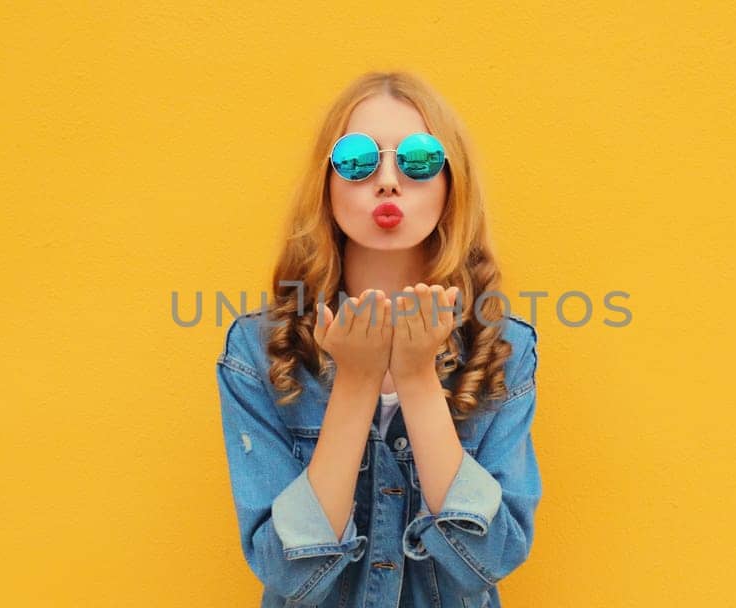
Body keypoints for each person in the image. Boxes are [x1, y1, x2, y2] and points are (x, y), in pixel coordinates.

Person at [216, 70, 541, 607]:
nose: (388, 181)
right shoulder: (258, 351)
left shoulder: (503, 348)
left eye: (417, 160)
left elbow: (493, 558)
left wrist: (416, 379)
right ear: (326, 184)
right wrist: (357, 381)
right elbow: (286, 574)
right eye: (357, 160)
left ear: (450, 184)